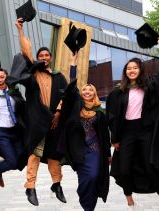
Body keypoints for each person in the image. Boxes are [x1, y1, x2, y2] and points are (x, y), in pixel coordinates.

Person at [106, 37, 159, 211]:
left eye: (135, 68)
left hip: (146, 132)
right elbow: (112, 117)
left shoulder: (150, 86)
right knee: (124, 169)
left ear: (140, 70)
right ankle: (130, 203)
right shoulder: (118, 93)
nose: (131, 70)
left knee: (151, 167)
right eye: (128, 68)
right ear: (125, 72)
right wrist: (115, 138)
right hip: (127, 132)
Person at [13, 18, 68, 206]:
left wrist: (59, 112)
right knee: (35, 153)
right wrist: (20, 31)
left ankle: (57, 185)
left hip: (54, 120)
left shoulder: (59, 76)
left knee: (54, 154)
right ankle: (30, 187)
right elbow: (27, 52)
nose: (44, 57)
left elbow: (65, 95)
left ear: (50, 58)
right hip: (38, 121)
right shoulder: (34, 72)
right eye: (41, 55)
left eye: (46, 55)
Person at [62, 52, 111, 211]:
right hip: (79, 151)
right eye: (85, 90)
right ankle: (87, 206)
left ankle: (87, 202)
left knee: (95, 176)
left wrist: (109, 155)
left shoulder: (99, 112)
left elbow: (105, 135)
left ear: (94, 94)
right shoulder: (77, 107)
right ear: (82, 94)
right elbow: (71, 87)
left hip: (95, 150)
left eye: (90, 91)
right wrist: (73, 63)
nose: (87, 92)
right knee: (85, 179)